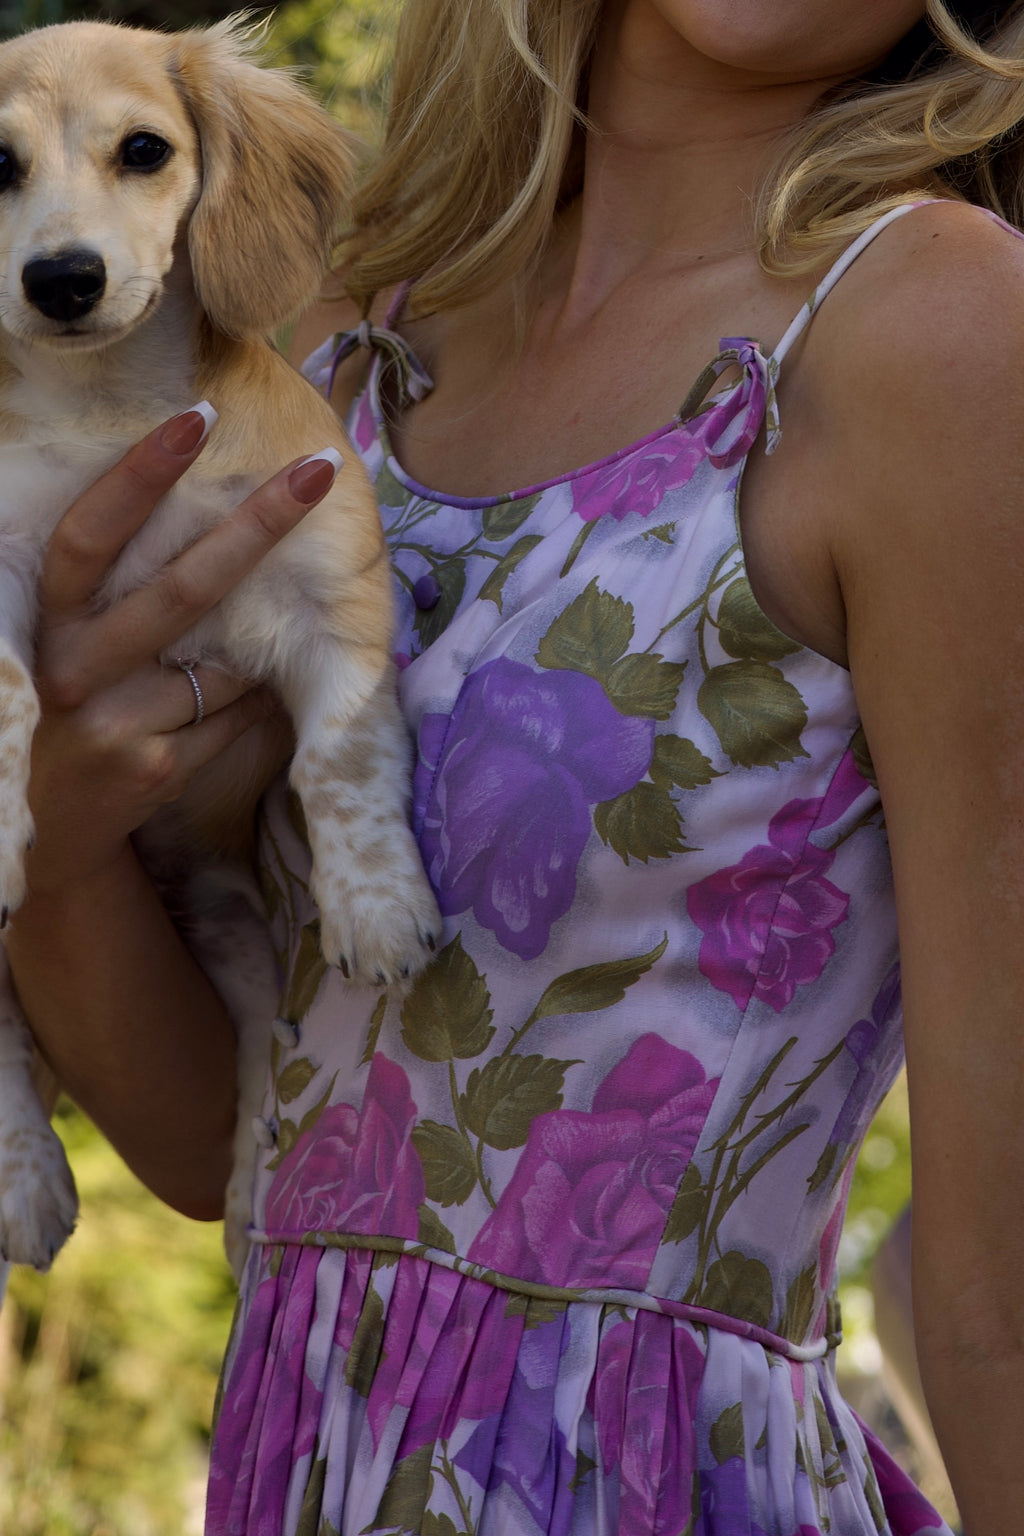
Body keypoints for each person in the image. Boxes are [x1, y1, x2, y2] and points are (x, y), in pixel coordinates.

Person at [8, 0, 1024, 1530]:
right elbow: (231, 1143)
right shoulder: (340, 317)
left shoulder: (946, 329)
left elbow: (1001, 1242)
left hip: (656, 1479)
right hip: (301, 1459)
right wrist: (60, 836)